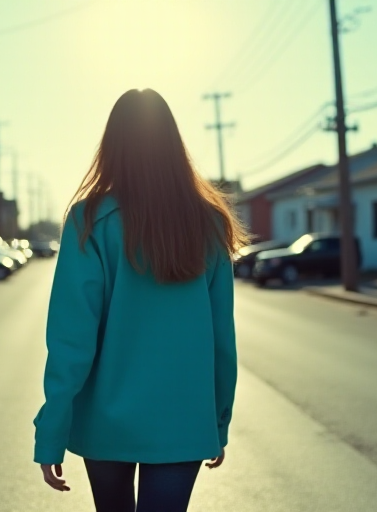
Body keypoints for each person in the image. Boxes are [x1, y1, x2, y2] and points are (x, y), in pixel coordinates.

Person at [33, 89, 247, 512]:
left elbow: (70, 341)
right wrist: (217, 422)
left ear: (112, 146)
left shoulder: (89, 220)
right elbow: (223, 339)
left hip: (105, 420)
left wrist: (52, 431)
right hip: (183, 420)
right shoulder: (207, 222)